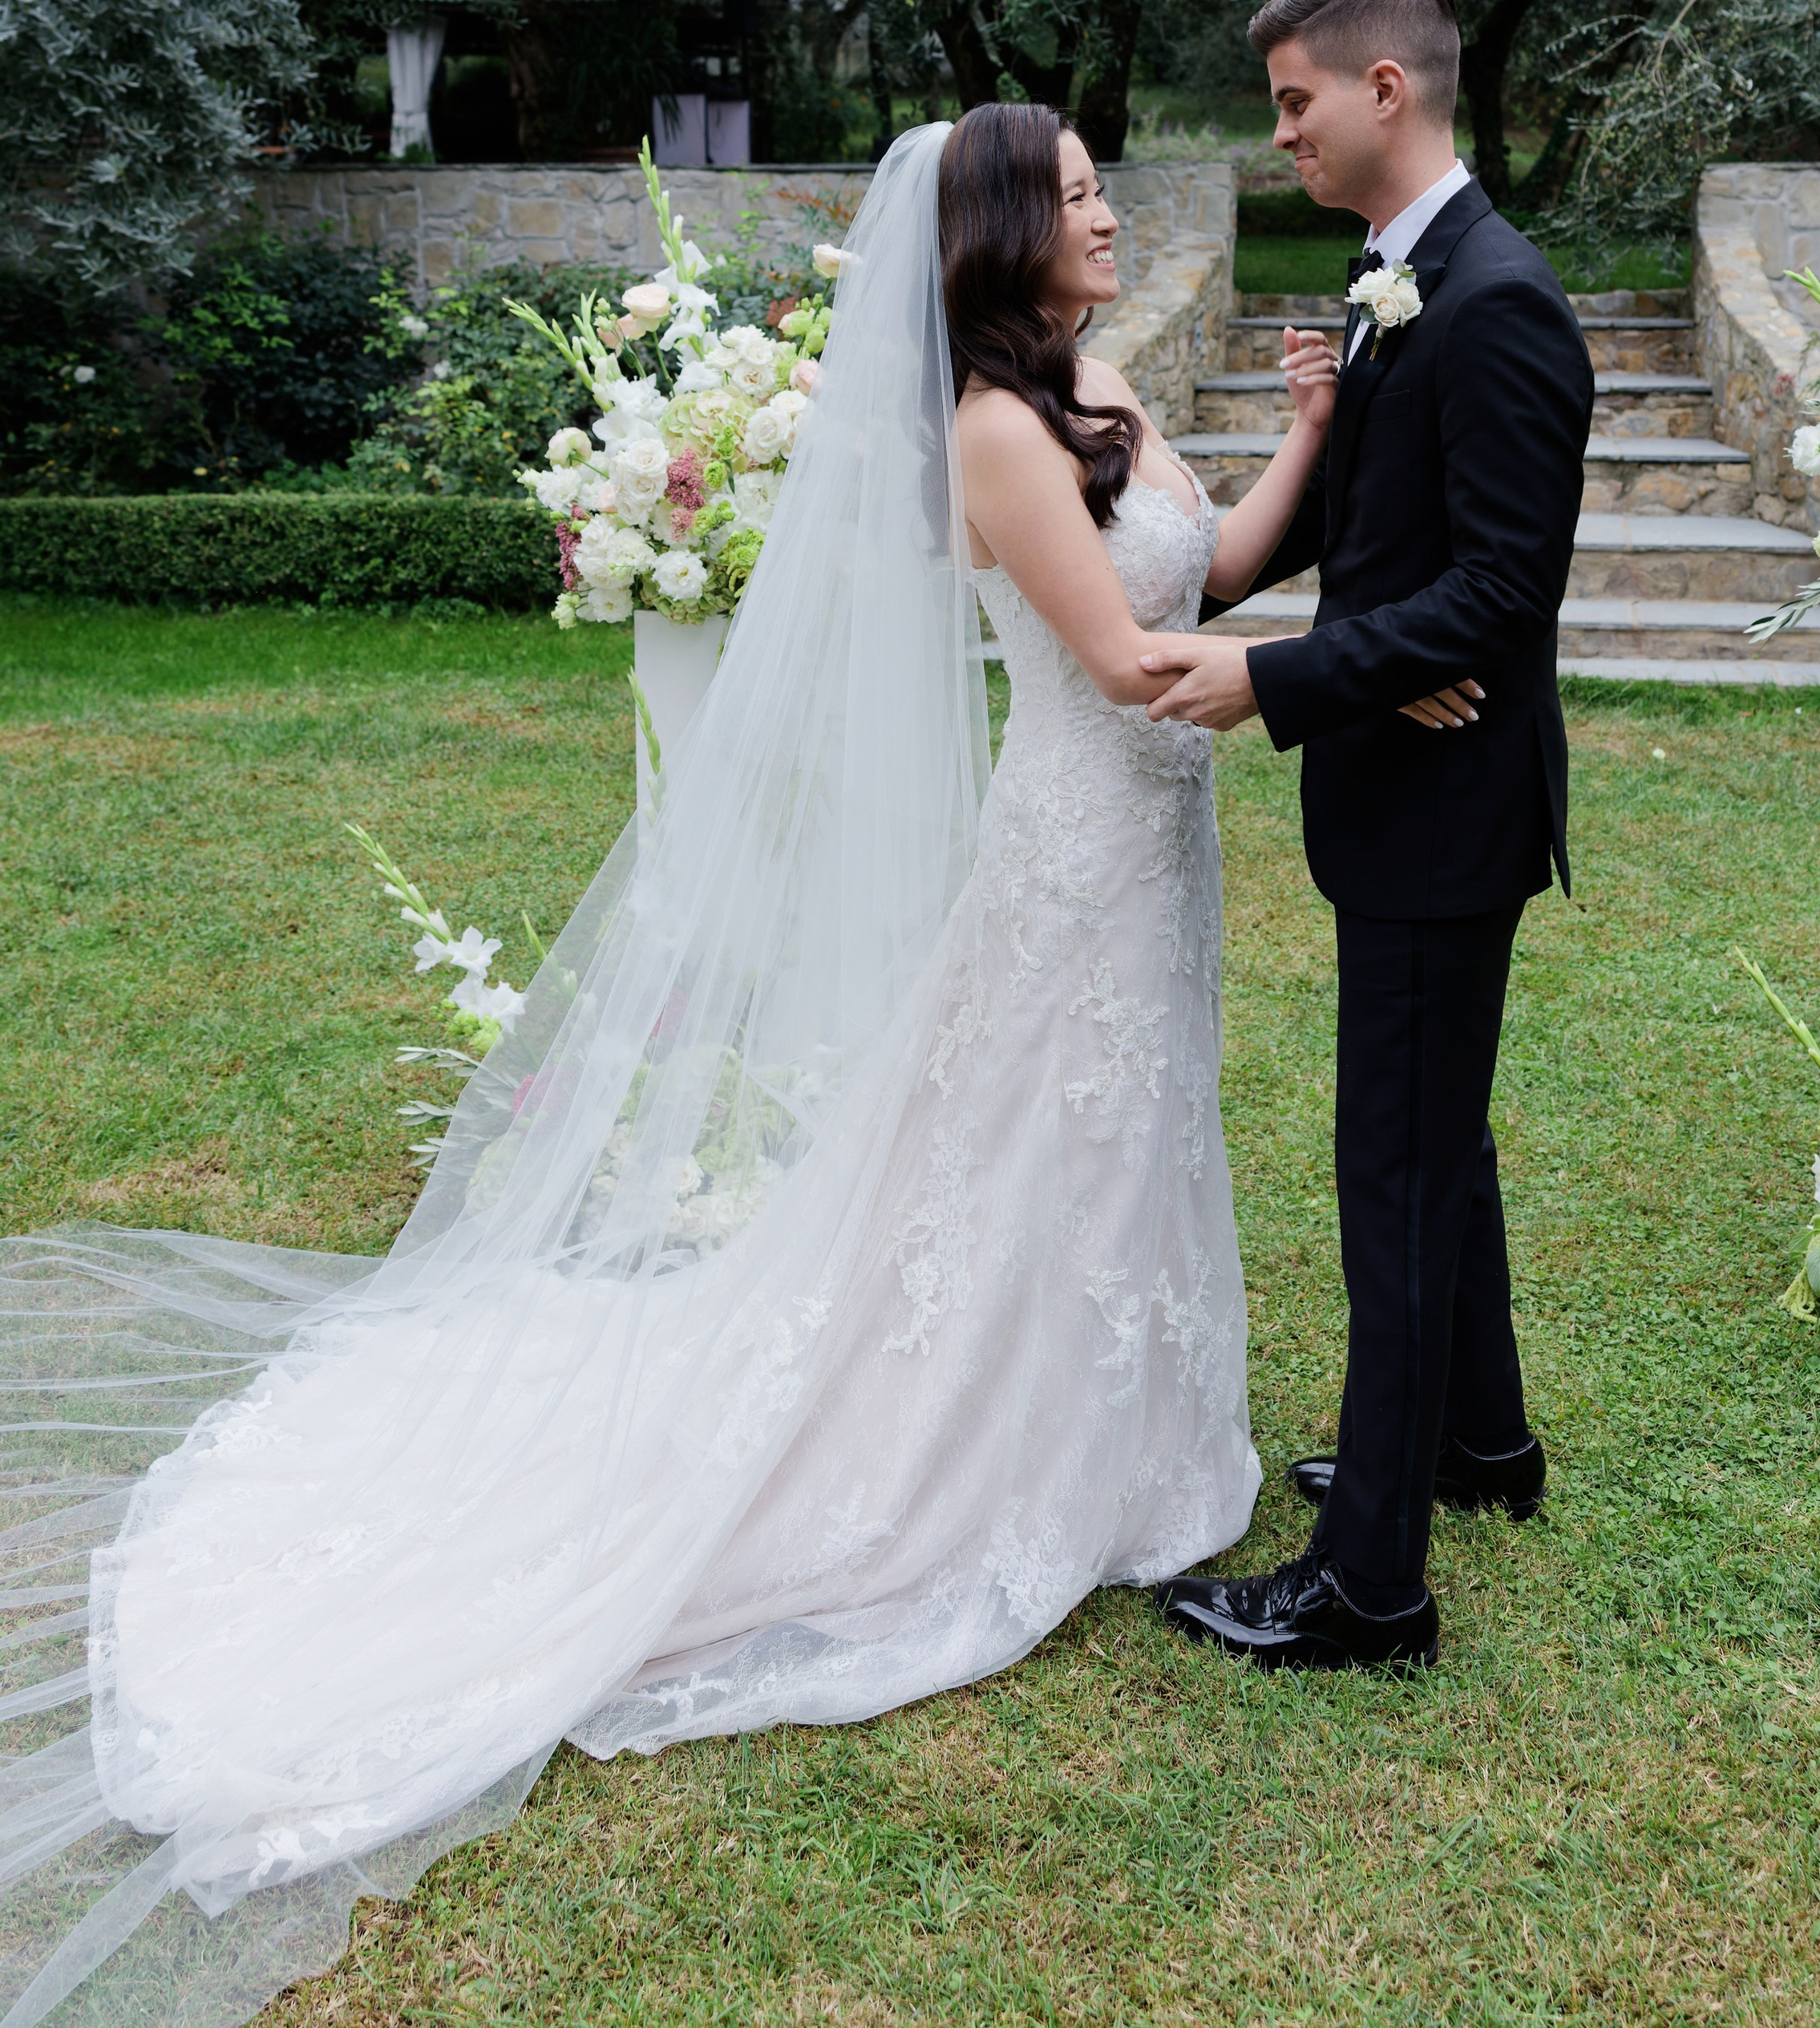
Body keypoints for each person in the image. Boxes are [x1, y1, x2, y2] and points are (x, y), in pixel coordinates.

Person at [0, 105, 1334, 2028]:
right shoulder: (985, 429)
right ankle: (992, 1449)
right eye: (1076, 191)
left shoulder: (1105, 385)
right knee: (1031, 1138)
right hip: (1075, 836)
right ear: (993, 233)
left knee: (1108, 1143)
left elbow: (1197, 569)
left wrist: (1309, 433)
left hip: (1155, 849)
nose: (1112, 211)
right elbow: (1127, 664)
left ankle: (1121, 1431)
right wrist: (1352, 662)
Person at [1141, 0, 1594, 1678]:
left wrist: (1278, 672)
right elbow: (1389, 532)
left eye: (1294, 103)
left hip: (1444, 806)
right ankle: (1476, 1445)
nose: (1280, 137)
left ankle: (1367, 1586)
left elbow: (1500, 593)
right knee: (1439, 1145)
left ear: (1385, 91)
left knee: (1392, 1171)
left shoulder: (1496, 300)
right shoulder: (1391, 282)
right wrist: (1319, 447)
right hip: (1399, 787)